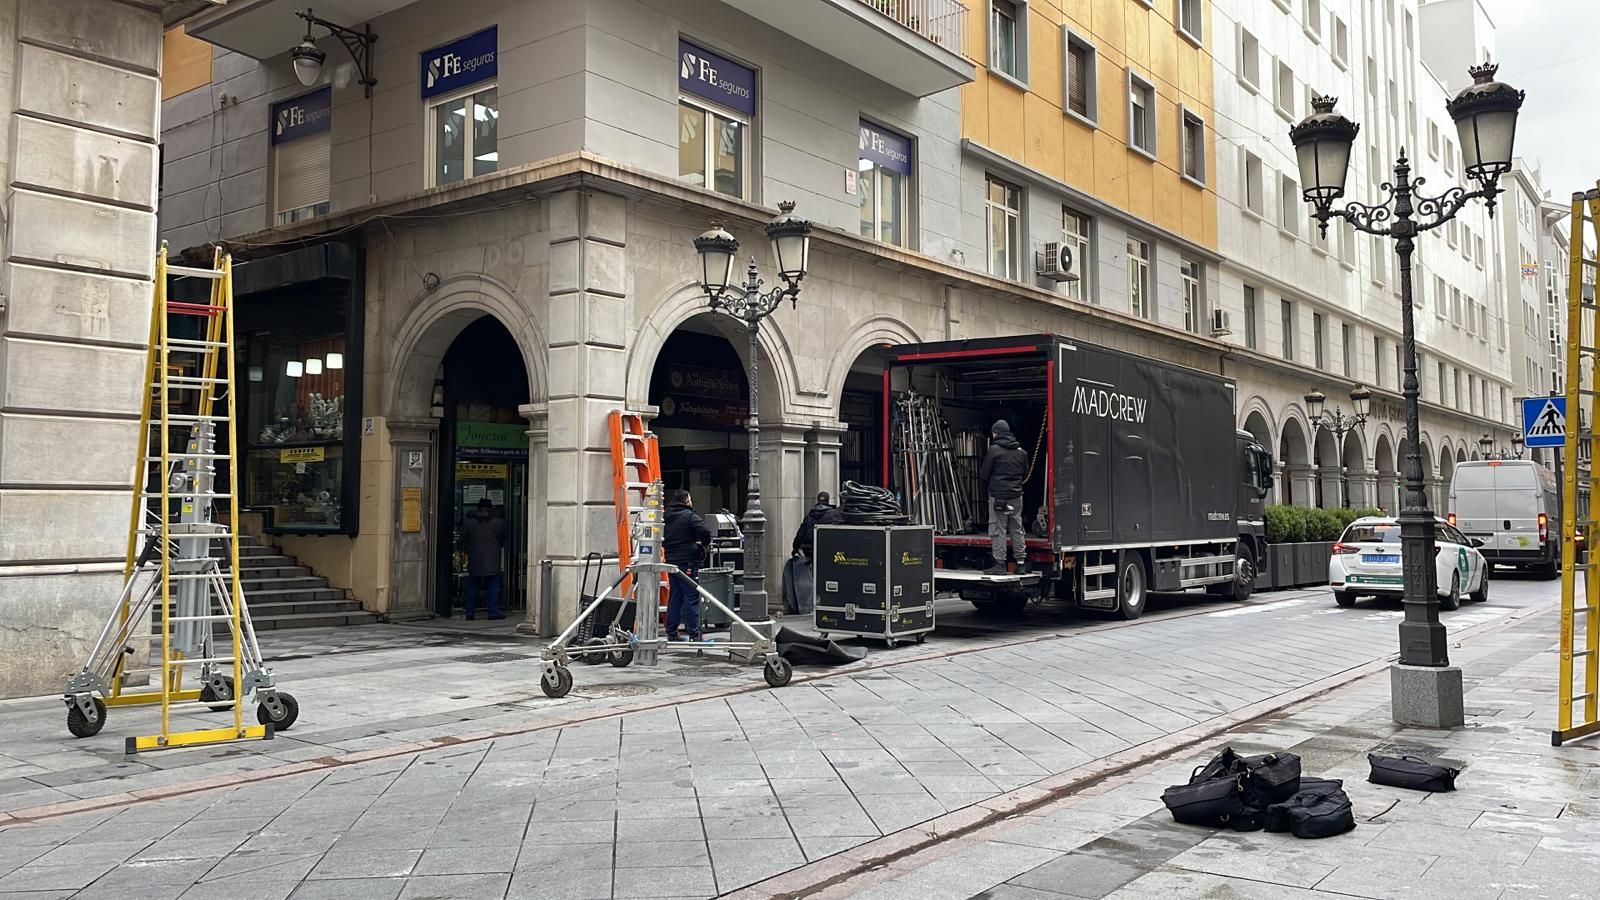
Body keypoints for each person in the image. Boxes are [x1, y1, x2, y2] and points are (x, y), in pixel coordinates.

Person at [980, 419, 1028, 576]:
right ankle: (1021, 563)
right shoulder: (1021, 451)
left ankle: (1000, 564)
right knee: (1017, 528)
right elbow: (1025, 472)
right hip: (1016, 496)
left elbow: (985, 473)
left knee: (998, 529)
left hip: (998, 497)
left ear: (997, 433)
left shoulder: (994, 450)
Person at [662, 489, 712, 641]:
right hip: (688, 562)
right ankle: (694, 634)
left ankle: (671, 633)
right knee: (691, 597)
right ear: (686, 501)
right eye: (690, 499)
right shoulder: (689, 516)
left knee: (675, 597)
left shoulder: (665, 516)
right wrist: (702, 543)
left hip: (672, 561)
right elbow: (705, 531)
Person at [459, 498, 508, 620]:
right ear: (491, 507)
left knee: (472, 585)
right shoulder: (499, 522)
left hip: (474, 557)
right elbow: (504, 539)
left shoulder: (469, 522)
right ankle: (493, 612)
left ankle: (470, 612)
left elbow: (462, 539)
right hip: (493, 557)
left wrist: (466, 549)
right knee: (493, 584)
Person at [792, 491, 844, 559]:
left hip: (808, 551)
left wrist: (795, 548)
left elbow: (800, 535)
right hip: (826, 551)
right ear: (828, 501)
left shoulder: (810, 516)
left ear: (818, 500)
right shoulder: (833, 515)